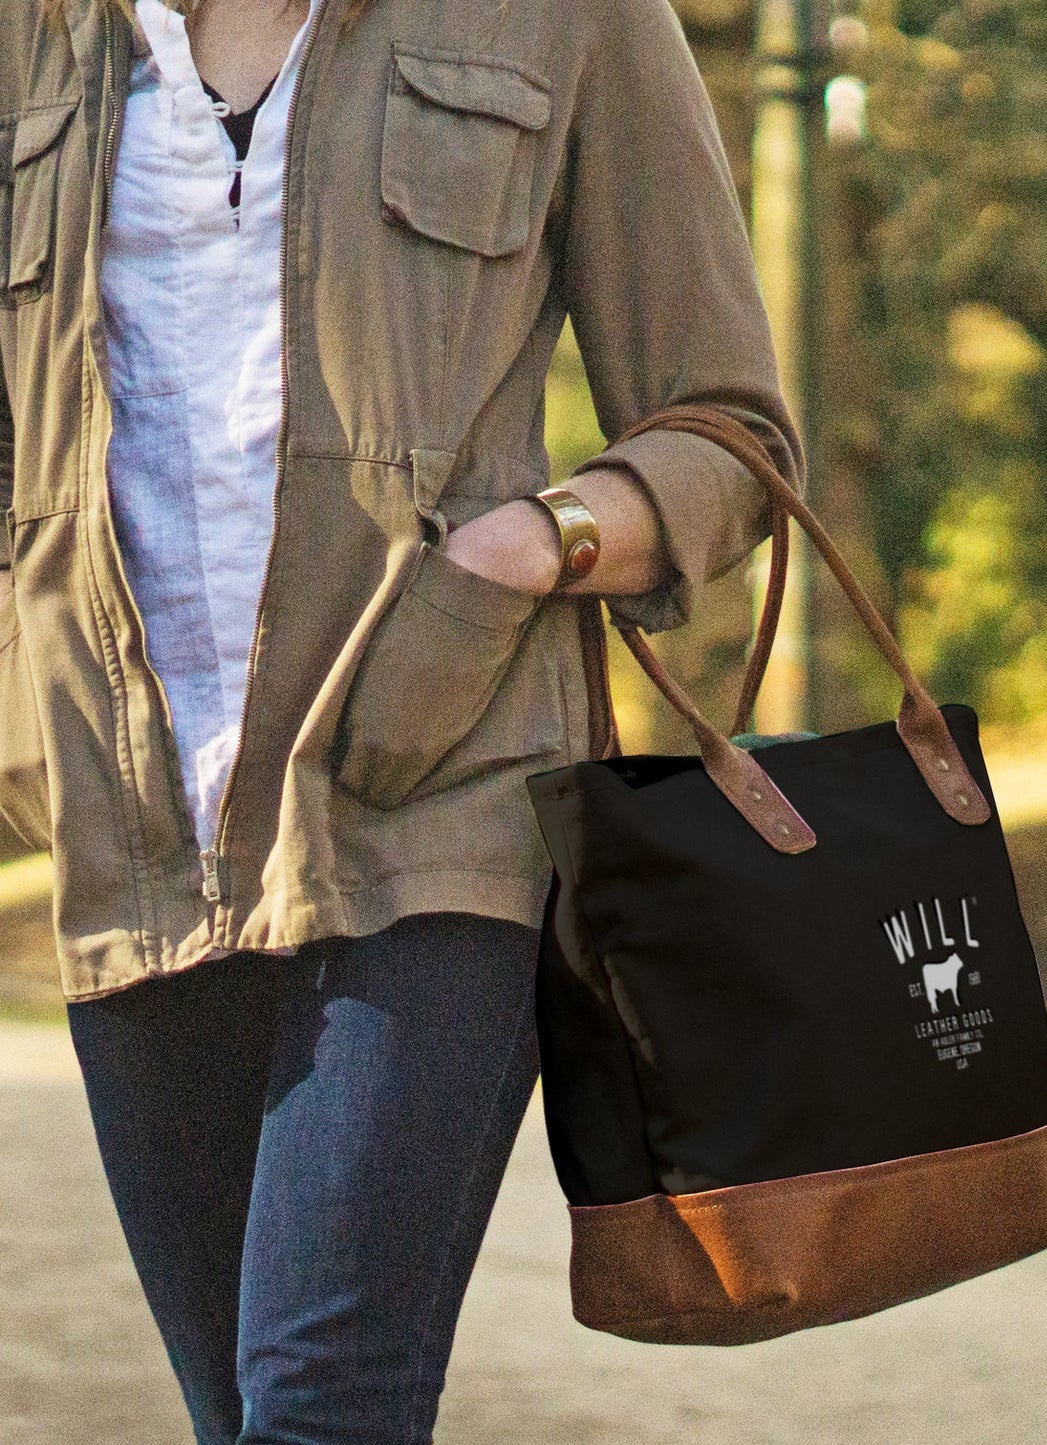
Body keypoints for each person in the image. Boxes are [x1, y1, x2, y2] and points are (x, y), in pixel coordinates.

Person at [0, 0, 802, 1435]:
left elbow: (725, 433)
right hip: (130, 824)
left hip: (444, 794)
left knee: (321, 1398)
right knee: (241, 1411)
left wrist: (525, 547)